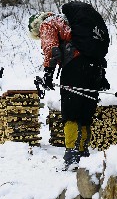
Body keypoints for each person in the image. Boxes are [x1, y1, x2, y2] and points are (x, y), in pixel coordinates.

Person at [28, 10, 101, 170]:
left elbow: (52, 50)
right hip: (95, 67)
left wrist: (48, 74)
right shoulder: (69, 23)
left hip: (74, 66)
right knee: (84, 113)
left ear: (36, 27)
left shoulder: (47, 23)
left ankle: (72, 157)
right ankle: (83, 154)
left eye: (38, 36)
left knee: (71, 113)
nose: (40, 37)